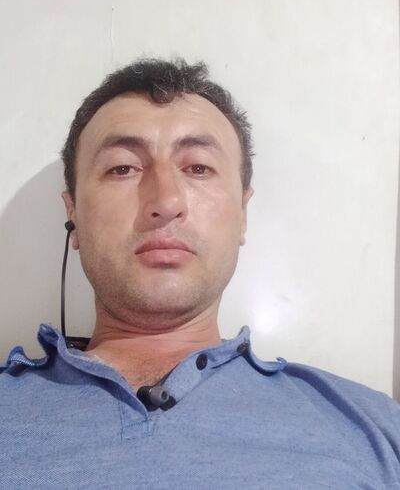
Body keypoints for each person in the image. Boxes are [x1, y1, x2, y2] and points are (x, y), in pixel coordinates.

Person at [1, 58, 399, 489]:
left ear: (242, 213)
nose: (165, 202)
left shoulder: (376, 427)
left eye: (198, 168)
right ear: (73, 215)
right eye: (122, 168)